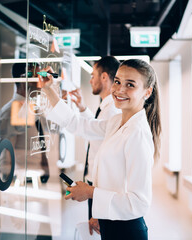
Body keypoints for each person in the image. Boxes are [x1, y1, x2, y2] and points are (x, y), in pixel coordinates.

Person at [41, 59, 161, 240]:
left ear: (147, 91)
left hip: (127, 231)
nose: (120, 89)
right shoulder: (116, 122)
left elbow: (139, 203)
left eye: (130, 85)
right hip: (110, 222)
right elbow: (77, 124)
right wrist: (49, 89)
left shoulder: (137, 134)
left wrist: (90, 193)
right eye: (118, 81)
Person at [68, 56, 120, 235]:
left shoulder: (112, 109)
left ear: (104, 77)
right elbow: (96, 129)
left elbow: (86, 129)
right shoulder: (106, 107)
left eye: (93, 75)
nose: (90, 80)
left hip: (100, 188)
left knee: (100, 232)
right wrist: (82, 108)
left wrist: (52, 99)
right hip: (97, 187)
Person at [0, 62, 49, 184]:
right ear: (23, 79)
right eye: (36, 76)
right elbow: (6, 147)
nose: (40, 82)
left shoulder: (29, 108)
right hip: (20, 178)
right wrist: (8, 176)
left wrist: (44, 163)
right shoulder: (15, 109)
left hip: (32, 174)